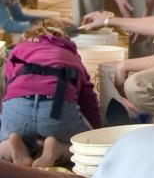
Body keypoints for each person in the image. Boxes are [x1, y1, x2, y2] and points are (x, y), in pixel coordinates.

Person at [0, 22, 101, 167]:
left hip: (17, 110)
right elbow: (88, 99)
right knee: (88, 148)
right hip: (57, 111)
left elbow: (6, 88)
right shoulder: (70, 54)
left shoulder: (17, 51)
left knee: (7, 140)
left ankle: (11, 148)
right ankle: (56, 150)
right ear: (63, 39)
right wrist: (96, 133)